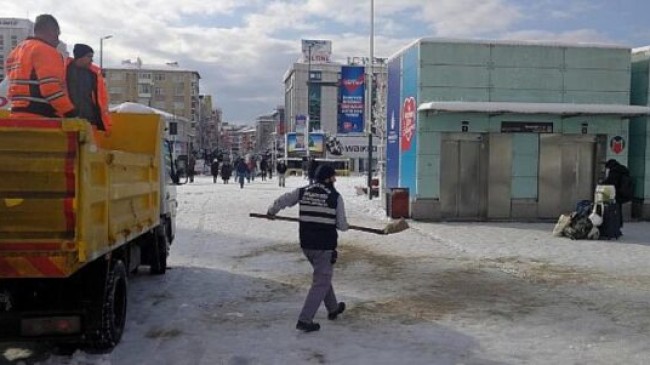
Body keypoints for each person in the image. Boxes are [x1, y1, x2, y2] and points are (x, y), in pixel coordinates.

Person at [266, 164, 348, 332]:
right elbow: (341, 225)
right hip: (324, 246)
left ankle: (333, 309)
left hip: (307, 245)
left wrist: (272, 211)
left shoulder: (303, 191)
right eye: (333, 176)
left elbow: (284, 200)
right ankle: (305, 319)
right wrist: (345, 225)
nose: (335, 179)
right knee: (321, 281)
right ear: (327, 178)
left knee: (323, 276)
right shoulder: (335, 197)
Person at [6, 14, 76, 119]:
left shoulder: (16, 52)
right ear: (51, 31)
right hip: (41, 117)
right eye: (57, 35)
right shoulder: (46, 51)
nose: (57, 40)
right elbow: (51, 89)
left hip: (16, 115)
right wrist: (70, 113)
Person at [65, 43, 111, 134]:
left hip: (89, 120)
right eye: (89, 56)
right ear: (80, 56)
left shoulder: (94, 74)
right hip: (68, 119)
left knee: (88, 147)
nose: (92, 60)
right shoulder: (64, 70)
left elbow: (101, 99)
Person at [602, 159, 633, 228]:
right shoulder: (623, 169)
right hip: (624, 192)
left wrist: (602, 183)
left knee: (615, 209)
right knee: (619, 208)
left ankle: (616, 224)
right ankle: (619, 224)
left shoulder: (614, 171)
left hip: (617, 192)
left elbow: (611, 181)